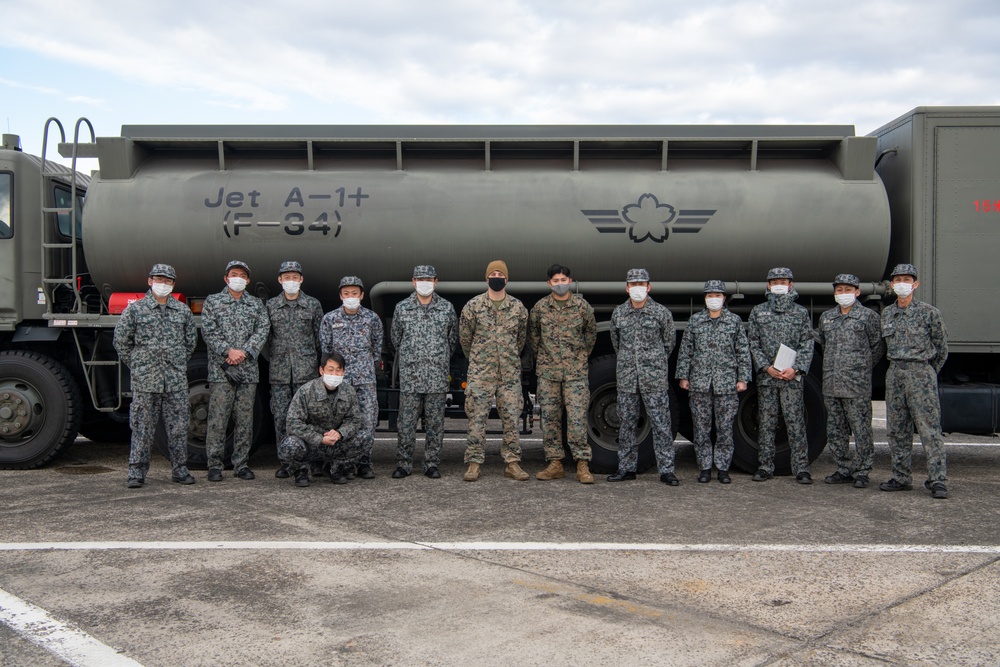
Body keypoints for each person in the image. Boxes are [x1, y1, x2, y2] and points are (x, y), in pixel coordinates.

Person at [113, 263, 197, 488]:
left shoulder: (182, 311)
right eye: (159, 279)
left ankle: (180, 470)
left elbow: (190, 343)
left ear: (173, 284)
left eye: (168, 281)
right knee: (142, 427)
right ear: (150, 281)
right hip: (146, 381)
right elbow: (121, 341)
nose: (163, 284)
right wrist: (139, 364)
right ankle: (136, 473)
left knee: (178, 428)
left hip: (175, 381)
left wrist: (176, 363)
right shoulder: (136, 310)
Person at [879, 264, 950, 499]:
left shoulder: (930, 313)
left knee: (929, 429)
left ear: (915, 284)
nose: (901, 283)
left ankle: (937, 480)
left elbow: (941, 349)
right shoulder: (887, 313)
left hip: (920, 375)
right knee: (897, 429)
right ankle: (901, 477)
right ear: (891, 284)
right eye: (897, 279)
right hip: (895, 374)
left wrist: (926, 372)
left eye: (906, 279)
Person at [675, 279, 751, 484]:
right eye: (710, 295)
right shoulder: (695, 321)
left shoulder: (734, 321)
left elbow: (743, 351)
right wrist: (683, 376)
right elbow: (686, 351)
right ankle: (705, 468)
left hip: (726, 383)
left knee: (725, 429)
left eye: (717, 295)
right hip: (700, 383)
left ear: (724, 298)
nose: (714, 299)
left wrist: (743, 378)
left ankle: (723, 468)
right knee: (701, 429)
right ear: (705, 298)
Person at [459, 260, 529, 482]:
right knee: (477, 418)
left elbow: (520, 340)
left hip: (508, 373)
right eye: (493, 273)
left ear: (506, 279)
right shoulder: (473, 306)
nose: (496, 277)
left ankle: (512, 463)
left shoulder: (518, 308)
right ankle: (474, 463)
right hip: (481, 372)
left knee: (511, 418)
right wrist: (481, 360)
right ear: (487, 278)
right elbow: (465, 339)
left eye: (500, 273)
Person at [201, 260, 270, 481]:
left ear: (248, 280)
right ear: (226, 278)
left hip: (248, 371)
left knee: (244, 420)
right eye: (233, 274)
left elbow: (263, 329)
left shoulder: (256, 304)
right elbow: (209, 331)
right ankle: (214, 465)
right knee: (218, 419)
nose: (238, 278)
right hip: (222, 372)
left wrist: (246, 352)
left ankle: (241, 464)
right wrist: (227, 352)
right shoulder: (213, 302)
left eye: (242, 275)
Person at [528, 264, 597, 484]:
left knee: (577, 419)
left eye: (563, 280)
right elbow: (534, 338)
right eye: (555, 280)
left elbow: (590, 335)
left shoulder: (581, 306)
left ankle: (582, 464)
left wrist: (578, 357)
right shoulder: (540, 308)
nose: (560, 284)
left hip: (575, 373)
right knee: (550, 419)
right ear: (549, 283)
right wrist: (548, 359)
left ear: (570, 281)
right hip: (548, 373)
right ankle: (555, 463)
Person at [608, 268, 678, 485]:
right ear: (627, 288)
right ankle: (626, 468)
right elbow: (616, 343)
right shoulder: (619, 313)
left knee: (661, 425)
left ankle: (667, 470)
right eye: (633, 284)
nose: (637, 288)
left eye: (642, 284)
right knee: (627, 424)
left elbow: (669, 343)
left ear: (649, 287)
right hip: (627, 378)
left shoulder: (661, 313)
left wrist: (652, 363)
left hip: (654, 378)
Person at [815, 274, 885, 489]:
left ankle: (863, 471)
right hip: (831, 383)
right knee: (836, 429)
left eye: (847, 289)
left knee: (861, 428)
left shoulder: (868, 317)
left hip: (857, 384)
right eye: (839, 290)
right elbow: (824, 345)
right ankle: (843, 468)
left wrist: (861, 368)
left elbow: (878, 347)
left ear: (857, 292)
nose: (843, 293)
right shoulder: (827, 317)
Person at [747, 267, 815, 483]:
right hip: (768, 377)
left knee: (795, 422)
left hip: (791, 378)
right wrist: (766, 367)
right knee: (766, 422)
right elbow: (753, 343)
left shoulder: (800, 313)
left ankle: (802, 469)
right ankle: (765, 467)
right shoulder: (758, 312)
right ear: (768, 285)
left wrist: (796, 369)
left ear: (791, 285)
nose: (779, 285)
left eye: (783, 281)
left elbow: (807, 342)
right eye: (774, 281)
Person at [390, 265, 458, 479]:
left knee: (435, 424)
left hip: (436, 378)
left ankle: (431, 464)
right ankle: (404, 463)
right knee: (406, 424)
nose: (424, 283)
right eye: (420, 279)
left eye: (428, 279)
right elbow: (396, 340)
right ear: (413, 282)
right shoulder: (402, 308)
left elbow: (452, 340)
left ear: (436, 282)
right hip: (411, 378)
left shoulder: (446, 308)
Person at [319, 276, 383, 479]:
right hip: (340, 381)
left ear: (362, 295)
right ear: (340, 295)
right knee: (338, 422)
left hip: (364, 379)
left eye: (354, 293)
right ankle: (341, 464)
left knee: (367, 421)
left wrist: (366, 368)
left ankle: (364, 463)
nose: (350, 297)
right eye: (346, 293)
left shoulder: (372, 319)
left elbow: (377, 348)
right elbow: (326, 350)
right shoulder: (330, 319)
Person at [266, 261, 324, 479]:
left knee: (310, 418)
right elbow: (267, 338)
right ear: (280, 280)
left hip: (306, 373)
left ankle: (315, 461)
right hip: (280, 373)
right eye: (286, 277)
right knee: (281, 418)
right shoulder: (271, 306)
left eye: (295, 277)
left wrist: (320, 368)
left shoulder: (312, 304)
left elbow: (320, 339)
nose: (291, 281)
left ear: (301, 279)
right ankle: (287, 462)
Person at [277, 351, 363, 486]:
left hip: (335, 443)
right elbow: (293, 423)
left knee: (364, 438)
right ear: (321, 370)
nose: (334, 374)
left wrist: (340, 433)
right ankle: (301, 470)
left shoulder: (349, 392)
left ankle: (333, 467)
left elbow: (355, 420)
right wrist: (319, 438)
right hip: (311, 444)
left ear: (343, 372)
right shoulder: (306, 391)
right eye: (330, 370)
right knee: (290, 445)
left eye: (338, 370)